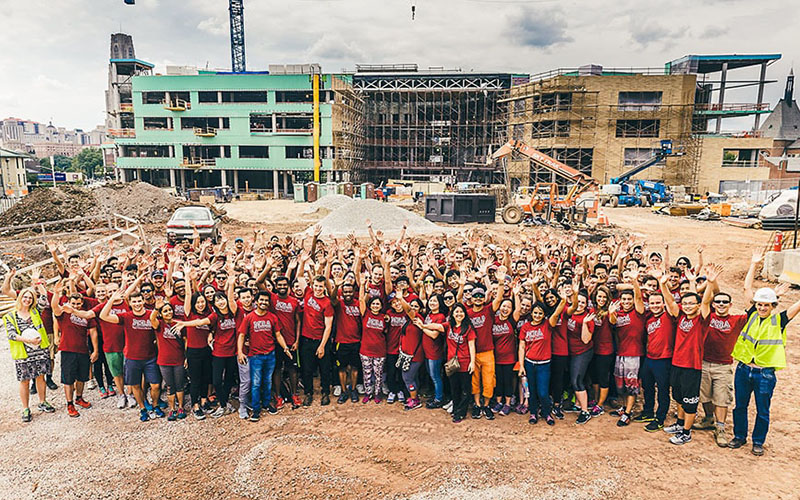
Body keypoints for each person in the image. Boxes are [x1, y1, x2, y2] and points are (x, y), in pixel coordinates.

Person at [728, 251, 800, 456]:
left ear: (773, 306)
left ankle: (758, 441)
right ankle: (739, 436)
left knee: (763, 410)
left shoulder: (780, 320)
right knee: (739, 406)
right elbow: (747, 288)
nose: (761, 307)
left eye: (765, 305)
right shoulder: (751, 315)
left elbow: (798, 306)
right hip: (743, 370)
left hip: (765, 374)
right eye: (759, 304)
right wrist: (753, 264)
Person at [658, 264, 716, 445]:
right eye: (686, 303)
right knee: (679, 396)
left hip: (692, 366)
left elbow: (706, 301)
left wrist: (711, 283)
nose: (688, 306)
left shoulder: (702, 320)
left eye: (693, 303)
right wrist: (663, 285)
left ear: (698, 306)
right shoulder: (680, 316)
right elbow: (670, 301)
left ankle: (686, 432)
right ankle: (680, 423)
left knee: (690, 401)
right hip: (677, 363)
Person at [694, 281, 748, 447]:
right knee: (705, 395)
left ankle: (721, 428)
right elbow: (703, 302)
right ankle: (709, 418)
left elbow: (752, 310)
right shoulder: (707, 316)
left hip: (723, 366)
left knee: (721, 398)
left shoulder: (737, 320)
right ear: (713, 304)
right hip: (704, 362)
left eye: (725, 302)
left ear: (730, 304)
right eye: (718, 301)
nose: (721, 304)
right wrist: (711, 283)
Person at [100, 289, 165, 422]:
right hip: (132, 357)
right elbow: (103, 316)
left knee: (155, 385)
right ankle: (142, 408)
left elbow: (158, 329)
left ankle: (155, 405)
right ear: (129, 303)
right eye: (134, 301)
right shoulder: (126, 316)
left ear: (143, 301)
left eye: (139, 300)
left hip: (150, 357)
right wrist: (112, 299)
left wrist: (157, 309)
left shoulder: (150, 314)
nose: (137, 303)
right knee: (135, 385)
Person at [3, 287, 55, 422]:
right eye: (25, 297)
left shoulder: (36, 312)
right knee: (24, 381)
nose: (27, 299)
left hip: (39, 351)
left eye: (30, 298)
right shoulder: (10, 316)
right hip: (23, 354)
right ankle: (25, 408)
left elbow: (44, 298)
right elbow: (12, 334)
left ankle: (43, 402)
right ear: (20, 298)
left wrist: (38, 283)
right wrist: (28, 340)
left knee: (40, 378)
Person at [238, 291, 291, 422]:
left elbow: (278, 335)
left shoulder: (272, 317)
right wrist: (240, 351)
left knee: (267, 381)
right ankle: (256, 410)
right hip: (255, 356)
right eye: (261, 300)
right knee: (256, 383)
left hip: (270, 354)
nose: (264, 302)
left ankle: (267, 404)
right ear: (256, 301)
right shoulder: (249, 317)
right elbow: (241, 335)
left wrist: (285, 348)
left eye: (266, 301)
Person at [52, 281, 99, 417]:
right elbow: (55, 307)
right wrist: (56, 293)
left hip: (83, 350)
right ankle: (69, 403)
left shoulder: (85, 315)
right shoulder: (63, 313)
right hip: (68, 350)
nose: (76, 306)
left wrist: (95, 350)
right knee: (68, 378)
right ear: (69, 302)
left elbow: (93, 332)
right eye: (73, 304)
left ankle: (79, 397)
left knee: (82, 377)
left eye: (78, 304)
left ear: (82, 303)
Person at [518, 295, 566, 425]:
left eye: (540, 313)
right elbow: (522, 346)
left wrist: (563, 299)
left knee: (543, 392)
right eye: (535, 313)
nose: (538, 315)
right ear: (531, 313)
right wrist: (521, 365)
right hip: (529, 363)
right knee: (531, 391)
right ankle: (533, 413)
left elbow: (557, 312)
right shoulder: (525, 327)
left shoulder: (548, 324)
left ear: (544, 314)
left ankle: (546, 412)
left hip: (544, 364)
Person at [609, 276, 646, 426]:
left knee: (632, 386)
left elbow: (638, 297)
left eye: (629, 299)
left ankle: (628, 413)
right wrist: (611, 312)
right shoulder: (619, 314)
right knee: (621, 385)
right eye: (623, 299)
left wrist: (635, 282)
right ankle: (624, 408)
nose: (626, 302)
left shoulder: (638, 312)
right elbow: (612, 322)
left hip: (634, 354)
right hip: (621, 354)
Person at [150, 299, 188, 421]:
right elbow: (152, 319)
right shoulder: (159, 324)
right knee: (170, 386)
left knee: (179, 385)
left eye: (170, 310)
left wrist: (186, 357)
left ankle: (181, 407)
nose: (168, 312)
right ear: (161, 313)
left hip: (179, 358)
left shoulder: (179, 323)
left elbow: (186, 341)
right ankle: (172, 408)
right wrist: (156, 308)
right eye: (165, 311)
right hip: (164, 360)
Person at [440, 303, 476, 423]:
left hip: (465, 363)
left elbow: (472, 345)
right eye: (456, 312)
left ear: (465, 314)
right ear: (452, 314)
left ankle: (461, 413)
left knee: (465, 389)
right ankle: (456, 410)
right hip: (452, 364)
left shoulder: (468, 328)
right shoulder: (450, 325)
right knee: (454, 389)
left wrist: (473, 362)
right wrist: (423, 325)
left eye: (461, 312)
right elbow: (437, 326)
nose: (459, 314)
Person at [467, 284, 497, 420]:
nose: (478, 298)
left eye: (481, 296)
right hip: (472, 353)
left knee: (489, 381)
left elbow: (499, 299)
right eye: (475, 296)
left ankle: (486, 405)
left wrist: (501, 283)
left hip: (487, 351)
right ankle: (477, 405)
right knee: (474, 381)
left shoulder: (488, 310)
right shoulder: (467, 313)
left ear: (484, 298)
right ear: (471, 299)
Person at [332, 282, 362, 404]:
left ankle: (353, 389)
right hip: (341, 342)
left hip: (356, 341)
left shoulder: (358, 303)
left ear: (354, 292)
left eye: (350, 291)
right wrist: (336, 287)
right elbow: (332, 299)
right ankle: (344, 392)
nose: (348, 294)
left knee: (355, 368)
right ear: (342, 293)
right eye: (346, 292)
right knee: (342, 368)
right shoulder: (339, 303)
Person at [358, 277, 387, 404]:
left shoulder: (384, 318)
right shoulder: (366, 314)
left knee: (378, 374)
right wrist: (363, 286)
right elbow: (360, 300)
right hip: (365, 350)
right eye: (373, 303)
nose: (375, 305)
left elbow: (386, 333)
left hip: (380, 351)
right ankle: (368, 393)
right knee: (367, 373)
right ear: (370, 305)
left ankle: (377, 393)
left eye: (378, 304)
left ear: (381, 306)